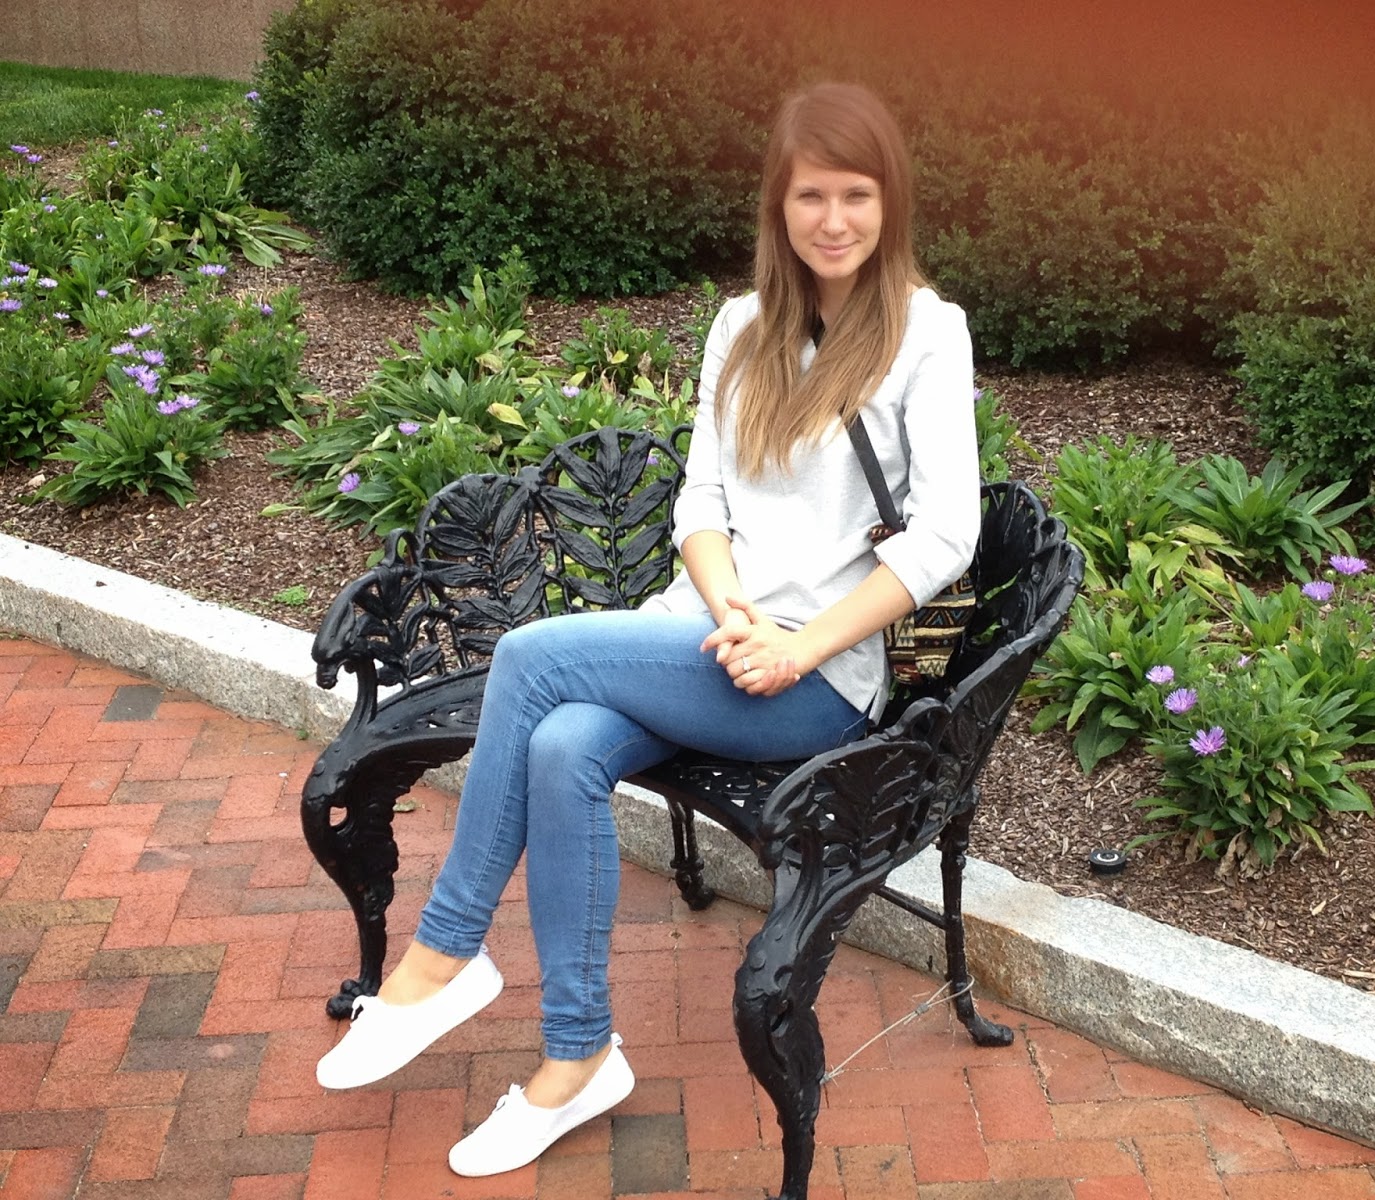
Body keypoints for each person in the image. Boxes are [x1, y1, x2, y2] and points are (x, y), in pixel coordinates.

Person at [313, 80, 979, 1179]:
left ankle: (445, 952)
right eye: (811, 195)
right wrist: (730, 611)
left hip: (820, 677)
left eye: (857, 195)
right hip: (708, 639)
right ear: (778, 203)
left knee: (529, 658)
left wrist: (797, 645)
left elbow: (948, 532)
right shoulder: (742, 327)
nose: (833, 220)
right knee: (561, 745)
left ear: (890, 202)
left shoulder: (927, 335)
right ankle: (579, 1055)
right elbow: (700, 504)